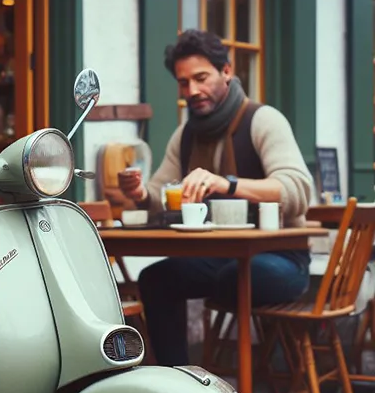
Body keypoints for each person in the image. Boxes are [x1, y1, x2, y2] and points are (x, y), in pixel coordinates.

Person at [118, 29, 314, 368]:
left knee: (239, 276)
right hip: (222, 260)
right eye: (183, 83)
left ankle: (238, 387)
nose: (192, 91)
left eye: (201, 78)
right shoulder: (186, 135)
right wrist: (139, 193)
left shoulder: (262, 120)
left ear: (226, 71)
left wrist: (228, 184)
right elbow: (160, 194)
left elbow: (297, 191)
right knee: (156, 279)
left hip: (281, 259)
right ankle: (178, 383)